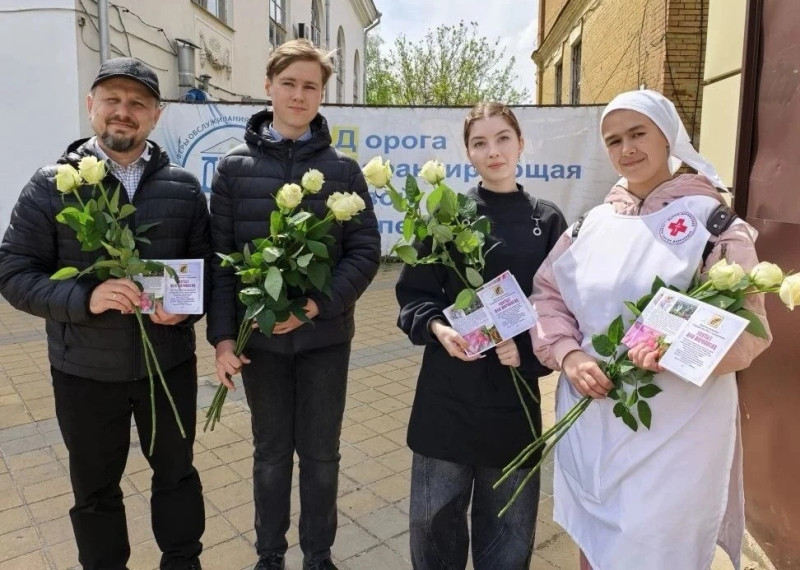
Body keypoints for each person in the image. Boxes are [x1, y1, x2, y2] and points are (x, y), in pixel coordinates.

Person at [531, 89, 772, 570]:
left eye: (638, 133)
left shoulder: (712, 223)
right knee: (596, 543)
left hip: (677, 431)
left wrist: (675, 348)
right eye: (613, 140)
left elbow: (750, 329)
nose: (627, 149)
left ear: (668, 136)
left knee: (658, 545)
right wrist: (569, 355)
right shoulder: (590, 225)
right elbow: (547, 296)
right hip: (594, 421)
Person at [0, 58, 210, 570]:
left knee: (177, 476)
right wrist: (84, 298)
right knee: (95, 490)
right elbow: (13, 271)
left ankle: (183, 561)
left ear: (155, 115)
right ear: (91, 105)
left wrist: (186, 312)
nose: (123, 111)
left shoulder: (183, 187)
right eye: (112, 99)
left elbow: (206, 272)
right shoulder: (53, 184)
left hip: (167, 368)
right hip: (84, 372)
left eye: (137, 102)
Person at [207, 39, 380, 570]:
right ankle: (270, 554)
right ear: (268, 87)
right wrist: (223, 340)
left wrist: (311, 309)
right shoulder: (233, 169)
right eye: (289, 83)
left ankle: (318, 555)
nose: (299, 95)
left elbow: (365, 252)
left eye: (310, 86)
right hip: (260, 344)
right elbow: (221, 261)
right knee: (271, 453)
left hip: (324, 339)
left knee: (322, 454)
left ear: (322, 94)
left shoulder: (343, 170)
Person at [395, 102, 567, 569]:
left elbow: (561, 307)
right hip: (447, 394)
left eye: (503, 138)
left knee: (508, 529)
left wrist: (527, 351)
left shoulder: (547, 221)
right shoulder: (448, 217)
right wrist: (439, 328)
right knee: (434, 522)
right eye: (480, 143)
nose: (493, 151)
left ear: (521, 143)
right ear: (468, 153)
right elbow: (413, 295)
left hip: (513, 397)